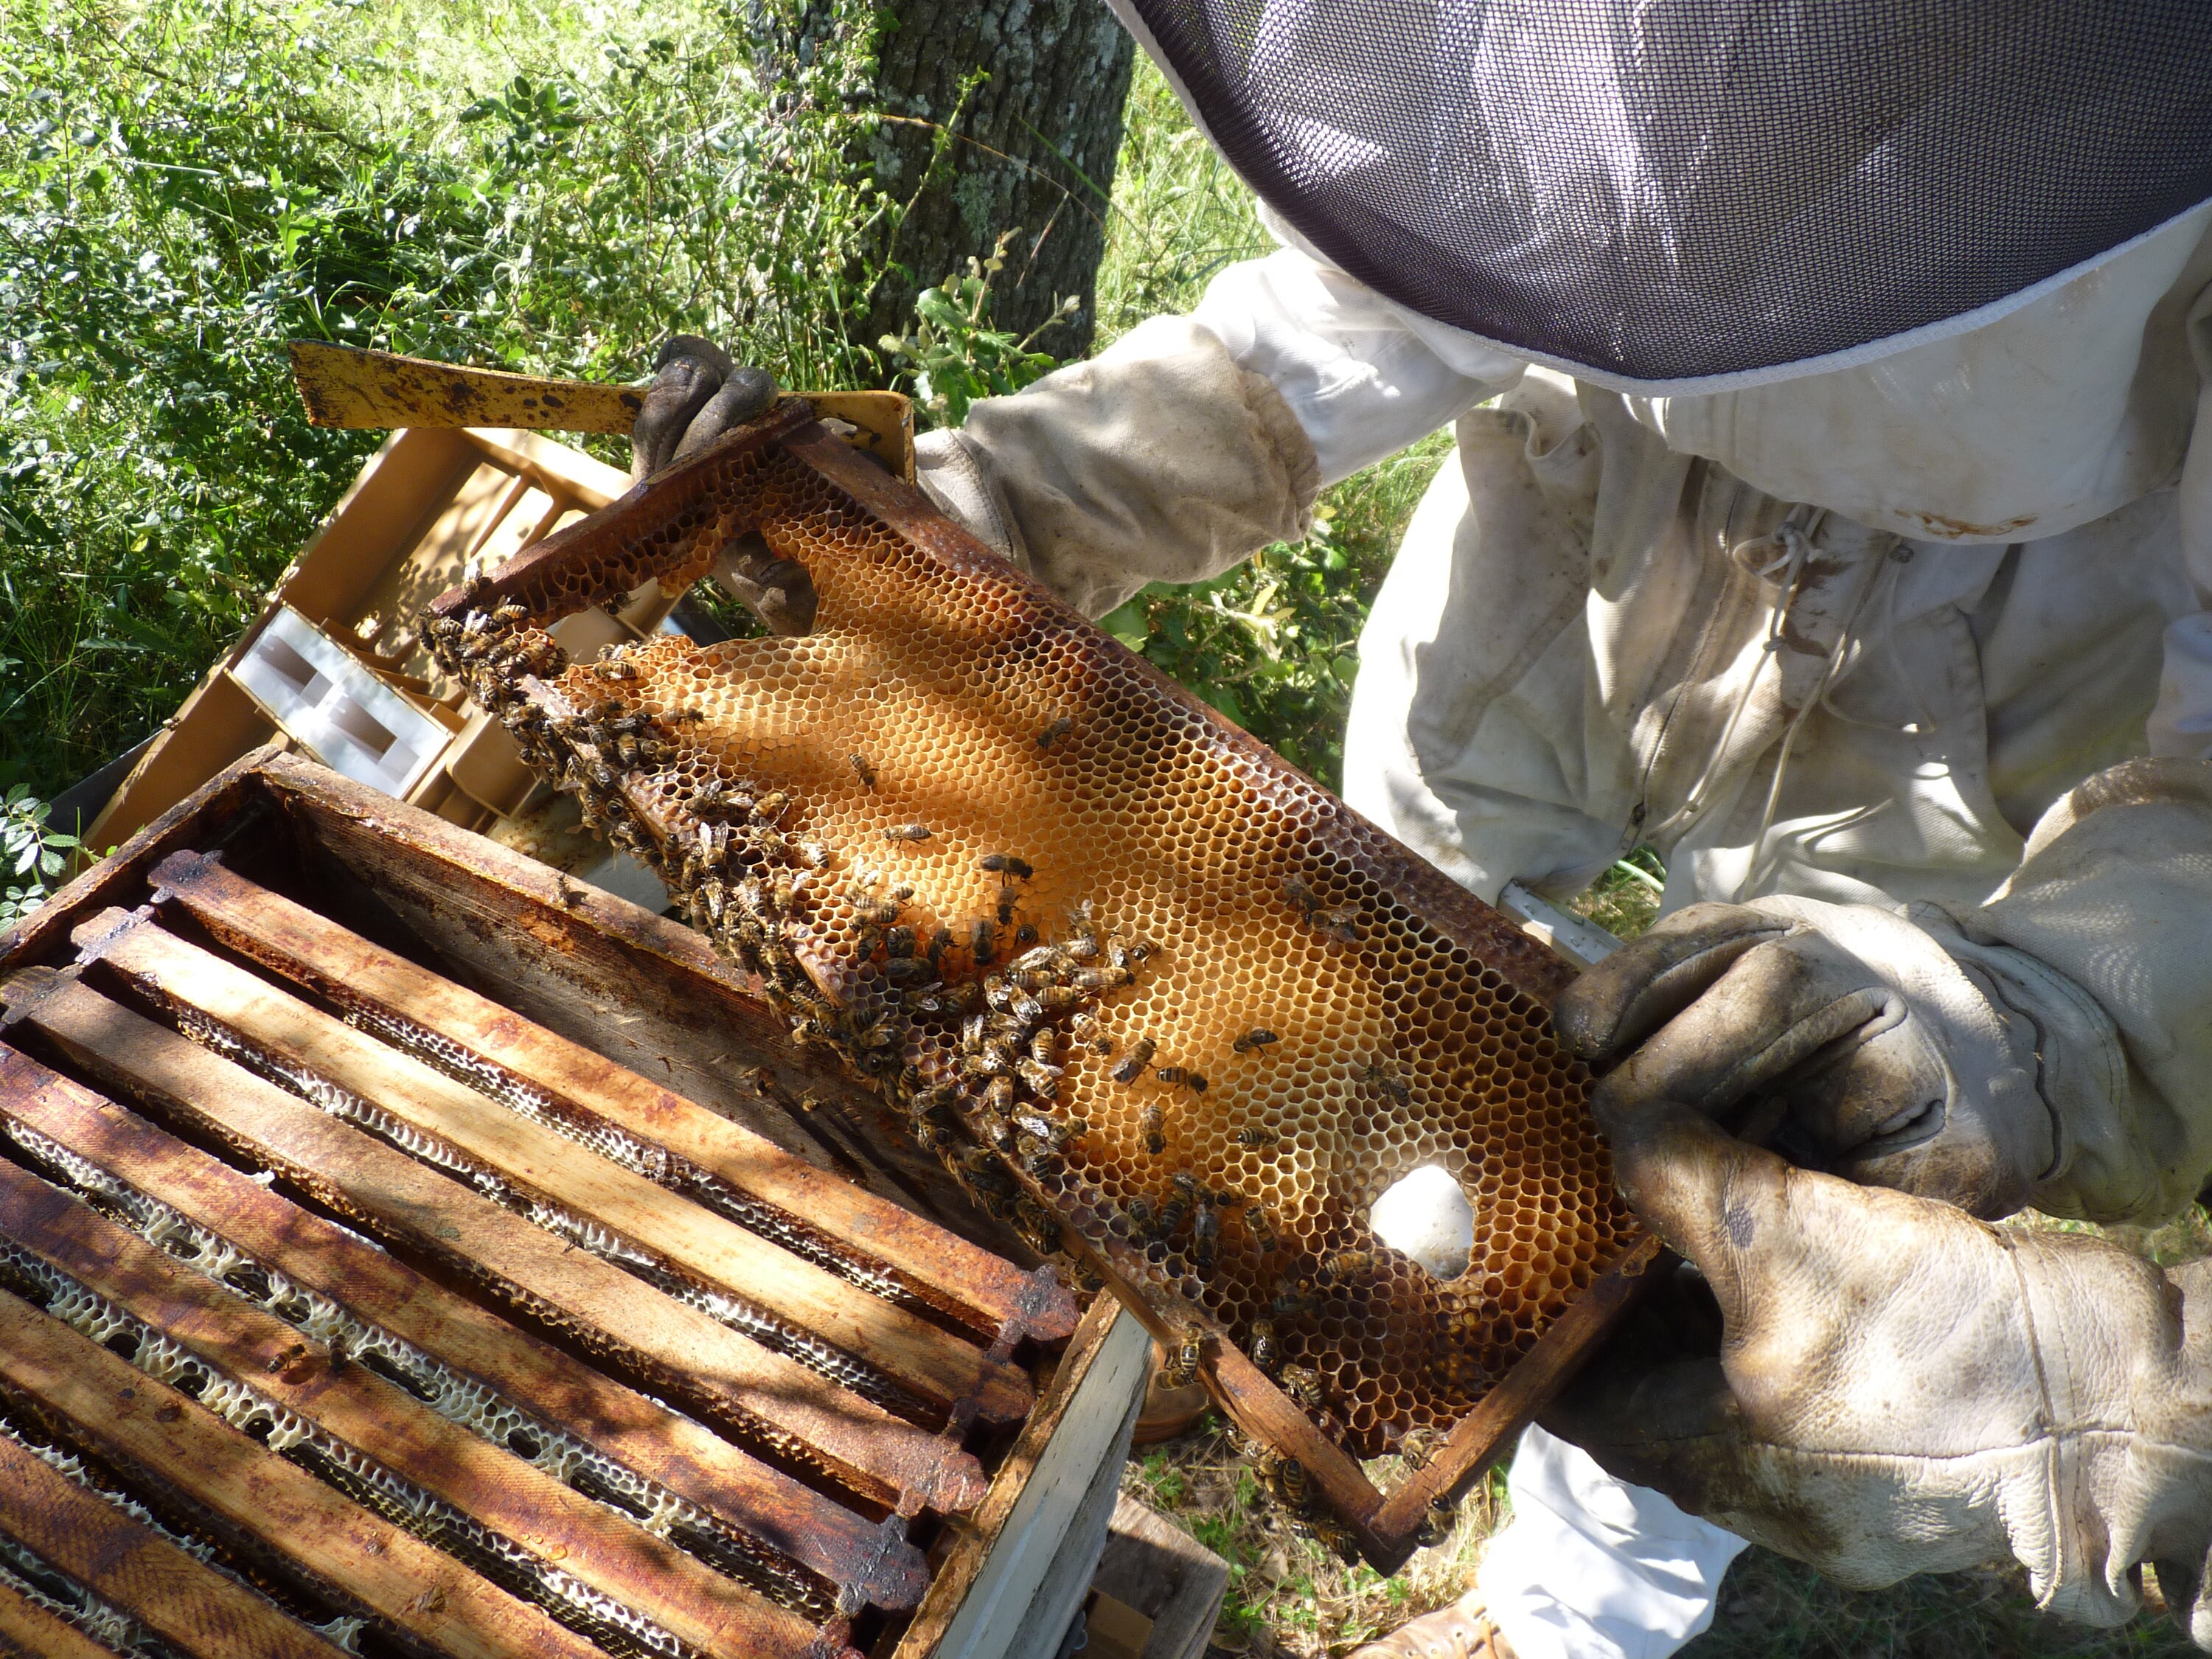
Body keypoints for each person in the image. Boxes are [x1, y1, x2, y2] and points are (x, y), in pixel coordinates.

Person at [638, 5, 2212, 1652]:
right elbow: (1308, 348)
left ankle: (1573, 1616)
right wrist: (995, 505)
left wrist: (2040, 1021)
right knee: (1361, 958)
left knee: (1763, 1187)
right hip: (1582, 533)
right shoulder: (1621, 49)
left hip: (2008, 640)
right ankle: (1259, 1284)